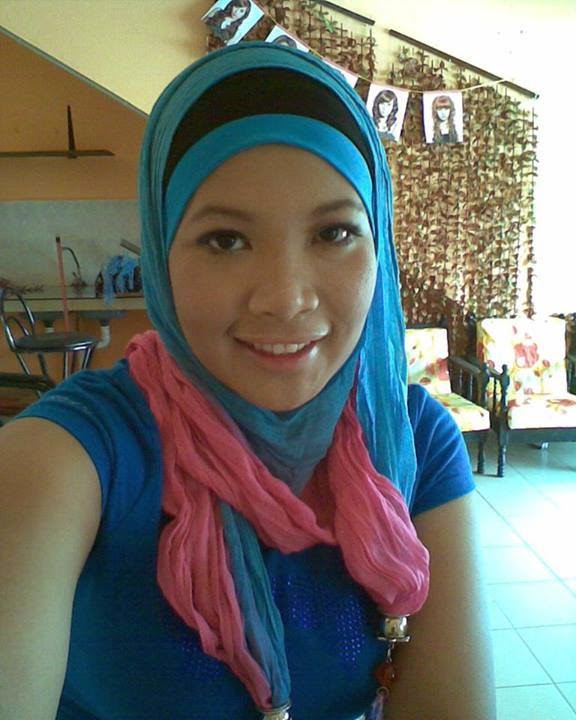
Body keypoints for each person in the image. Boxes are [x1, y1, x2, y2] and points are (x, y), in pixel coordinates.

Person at [0, 42, 496, 720]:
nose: (285, 299)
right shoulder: (70, 458)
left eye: (334, 233)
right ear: (162, 251)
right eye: (226, 240)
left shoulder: (414, 441)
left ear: (378, 242)